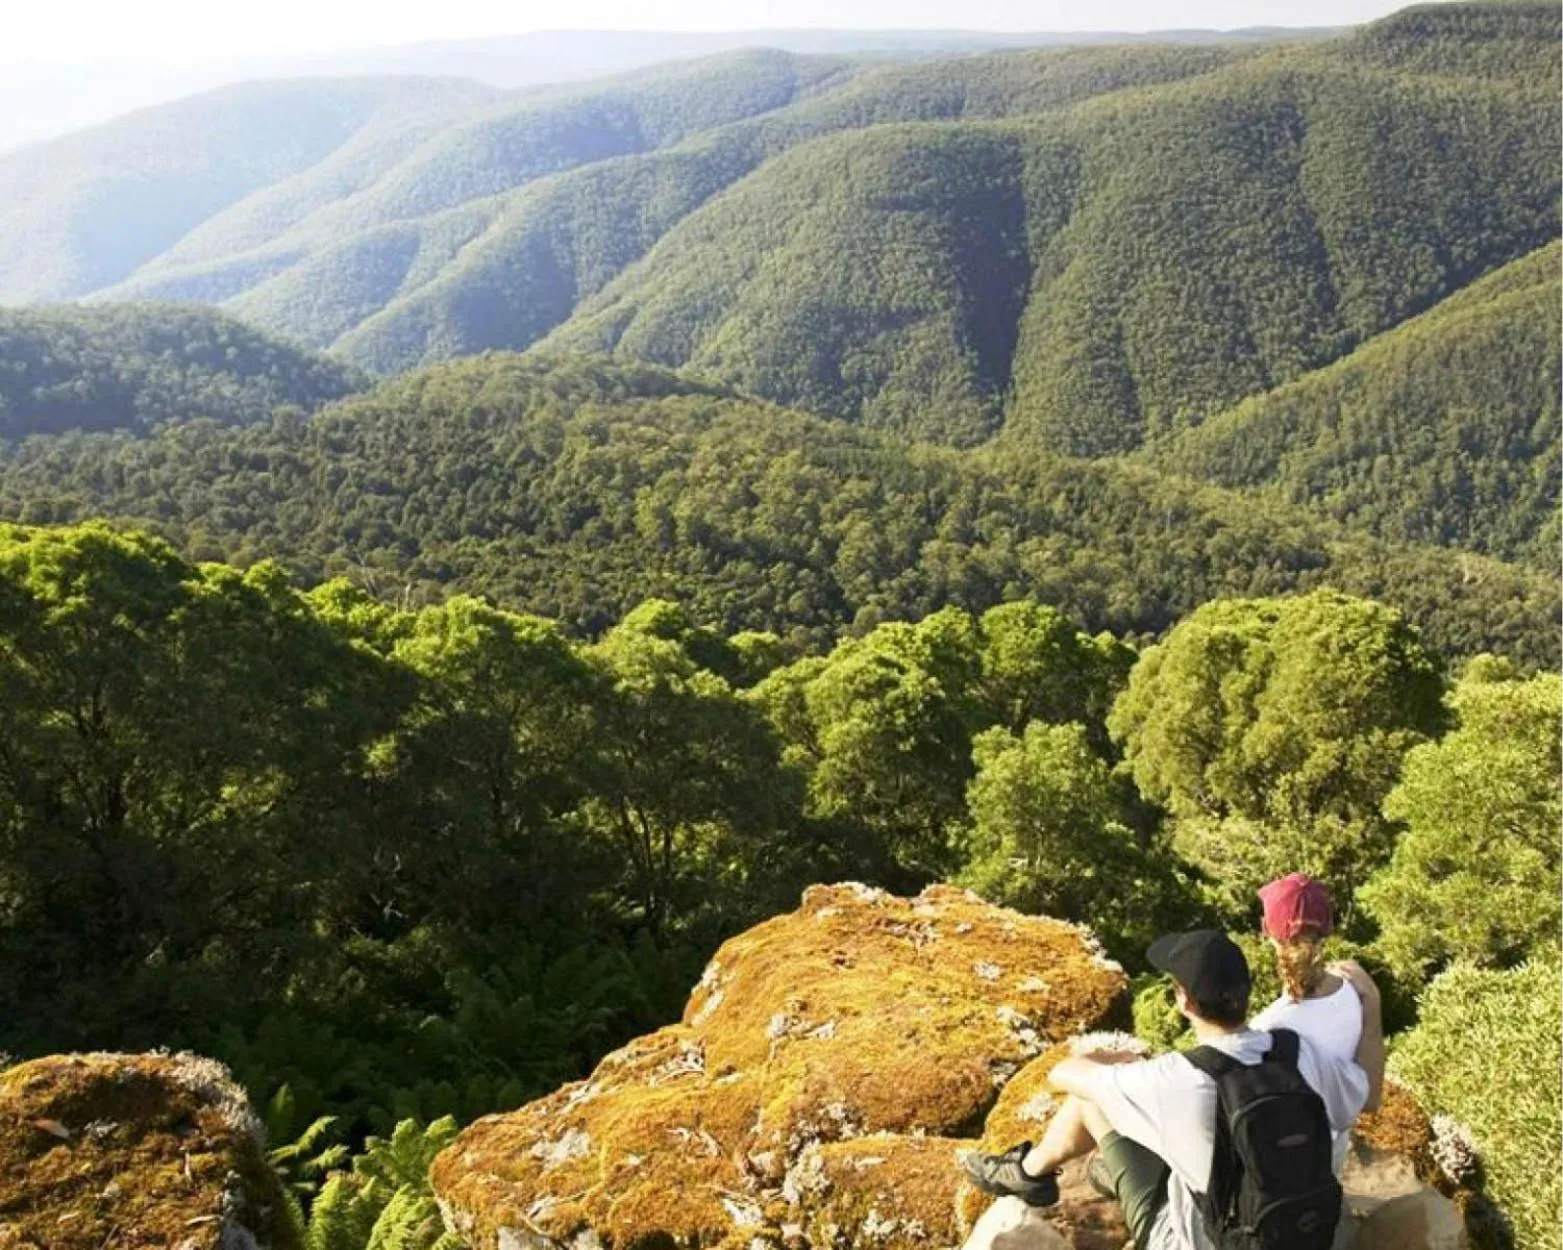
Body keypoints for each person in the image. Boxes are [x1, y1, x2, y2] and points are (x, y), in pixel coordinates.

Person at [961, 930, 1372, 1250]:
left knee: (1090, 1101)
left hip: (1192, 1240)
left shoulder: (1178, 1078)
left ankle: (1029, 1174)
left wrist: (1115, 1061)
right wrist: (1370, 1008)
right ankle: (1079, 1173)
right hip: (1299, 1231)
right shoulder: (1298, 1052)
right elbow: (1361, 1096)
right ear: (1247, 992)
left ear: (1185, 1002)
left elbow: (1064, 1074)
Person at [1251, 873, 1386, 1128]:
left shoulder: (1265, 1030)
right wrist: (1374, 1000)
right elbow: (1369, 1100)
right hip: (1331, 1158)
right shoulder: (1357, 993)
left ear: (1265, 929)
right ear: (1327, 929)